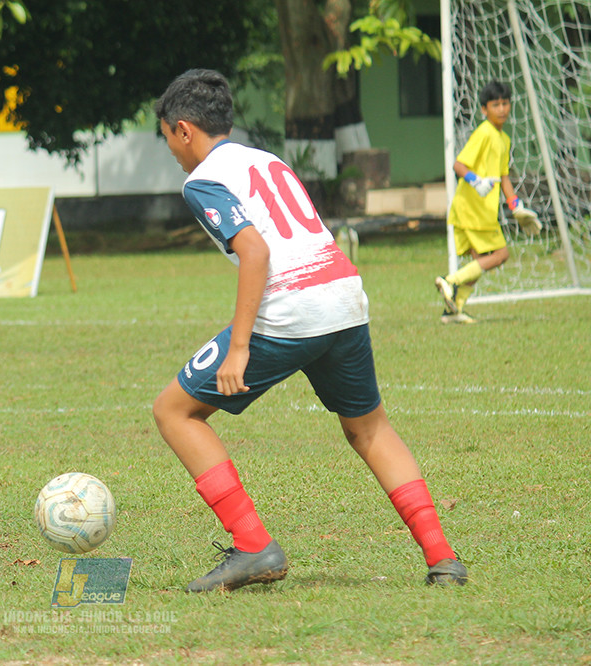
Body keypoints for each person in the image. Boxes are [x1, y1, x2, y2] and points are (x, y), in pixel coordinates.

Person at [151, 69, 467, 592]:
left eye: (167, 138)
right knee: (370, 429)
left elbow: (255, 250)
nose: (171, 151)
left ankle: (254, 547)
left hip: (291, 311)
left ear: (184, 129)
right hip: (344, 297)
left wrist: (241, 348)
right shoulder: (267, 160)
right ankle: (443, 559)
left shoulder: (202, 179)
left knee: (174, 410)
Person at [434, 80, 541, 324]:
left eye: (505, 103)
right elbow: (458, 165)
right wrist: (475, 180)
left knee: (480, 260)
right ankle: (450, 281)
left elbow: (504, 177)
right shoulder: (483, 132)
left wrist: (516, 207)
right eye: (495, 105)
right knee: (501, 254)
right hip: (473, 207)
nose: (502, 109)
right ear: (484, 109)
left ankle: (454, 309)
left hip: (482, 209)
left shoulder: (504, 139)